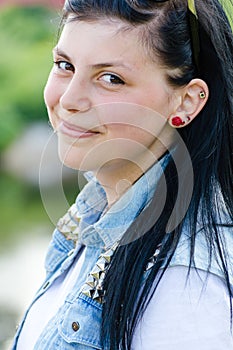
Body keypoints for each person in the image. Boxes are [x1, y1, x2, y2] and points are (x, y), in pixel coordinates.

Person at [13, 0, 233, 349]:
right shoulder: (91, 221)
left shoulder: (185, 284)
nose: (69, 99)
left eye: (111, 79)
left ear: (186, 102)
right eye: (64, 65)